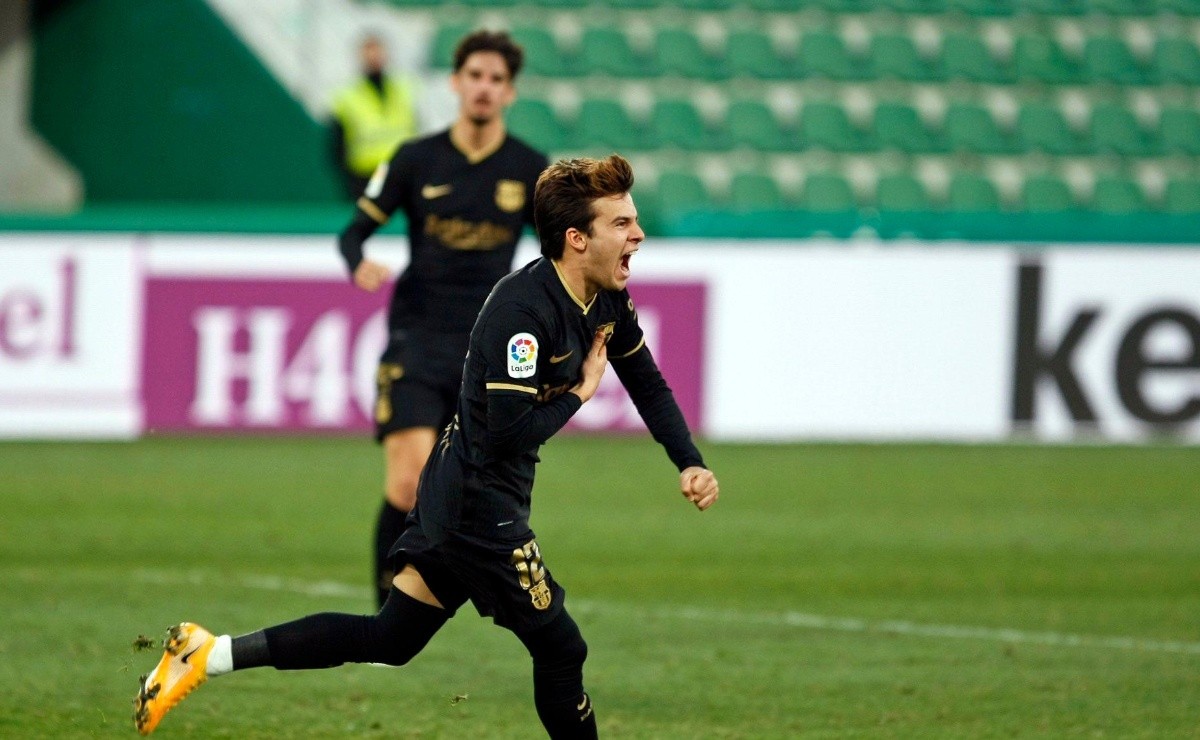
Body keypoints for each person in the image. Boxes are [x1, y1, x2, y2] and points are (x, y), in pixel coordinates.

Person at [132, 154, 720, 738]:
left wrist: (688, 460)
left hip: (467, 489)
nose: (638, 235)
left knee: (391, 639)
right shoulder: (523, 314)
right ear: (576, 238)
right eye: (621, 224)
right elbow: (508, 433)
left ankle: (209, 655)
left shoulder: (606, 298)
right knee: (562, 648)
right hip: (477, 506)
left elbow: (644, 377)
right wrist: (582, 393)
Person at [338, 30, 548, 607]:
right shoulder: (415, 158)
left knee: (462, 495)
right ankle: (384, 611)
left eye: (496, 80)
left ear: (510, 92)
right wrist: (359, 262)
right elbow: (353, 229)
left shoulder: (530, 169)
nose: (484, 88)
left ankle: (421, 604)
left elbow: (563, 251)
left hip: (486, 354)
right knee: (408, 482)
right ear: (456, 84)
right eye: (475, 76)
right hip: (417, 340)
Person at [329, 34, 420, 200]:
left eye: (377, 51)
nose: (374, 57)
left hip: (401, 173)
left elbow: (416, 130)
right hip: (365, 175)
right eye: (369, 52)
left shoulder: (405, 89)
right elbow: (336, 144)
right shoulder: (347, 96)